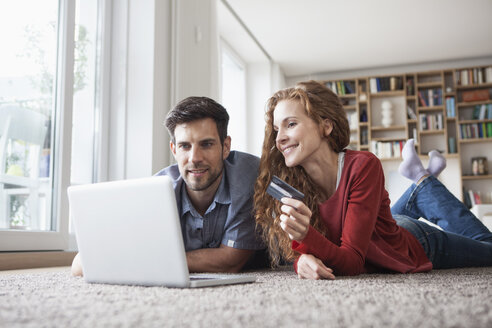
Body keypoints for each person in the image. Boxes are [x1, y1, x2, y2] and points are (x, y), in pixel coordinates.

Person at [253, 80, 492, 280]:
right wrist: (301, 260)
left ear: (325, 126)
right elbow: (298, 252)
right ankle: (421, 183)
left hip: (411, 242)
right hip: (380, 227)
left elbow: (352, 262)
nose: (280, 139)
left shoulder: (363, 165)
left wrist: (305, 236)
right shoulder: (289, 180)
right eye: (276, 130)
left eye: (291, 124)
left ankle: (423, 184)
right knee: (382, 218)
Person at [72, 96, 264, 276]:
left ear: (225, 147)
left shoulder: (250, 177)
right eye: (185, 146)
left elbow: (230, 261)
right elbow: (80, 264)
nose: (195, 158)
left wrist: (149, 260)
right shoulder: (155, 192)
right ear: (174, 149)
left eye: (206, 144)